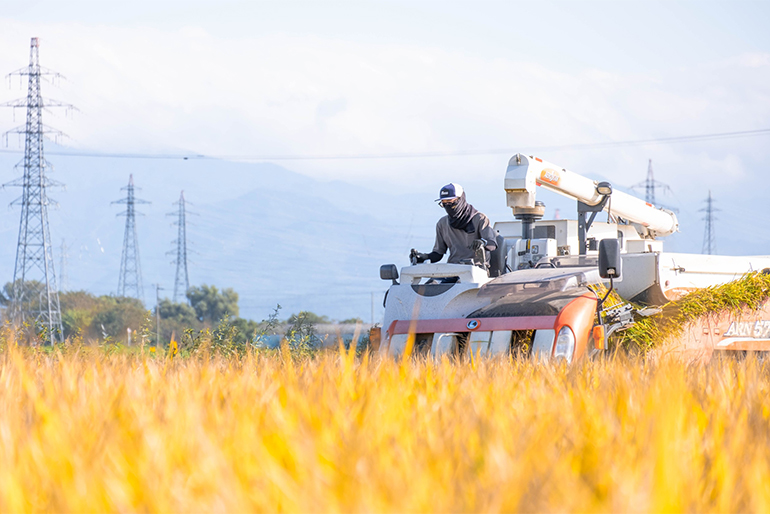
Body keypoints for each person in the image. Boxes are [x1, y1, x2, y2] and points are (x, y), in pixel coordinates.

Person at [411, 183, 498, 267]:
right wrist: (423, 257)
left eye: (451, 202)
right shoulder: (442, 223)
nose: (447, 206)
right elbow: (438, 254)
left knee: (462, 282)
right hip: (453, 269)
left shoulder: (480, 219)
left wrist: (482, 243)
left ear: (461, 200)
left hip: (476, 270)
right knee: (432, 282)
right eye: (444, 203)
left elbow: (492, 245)